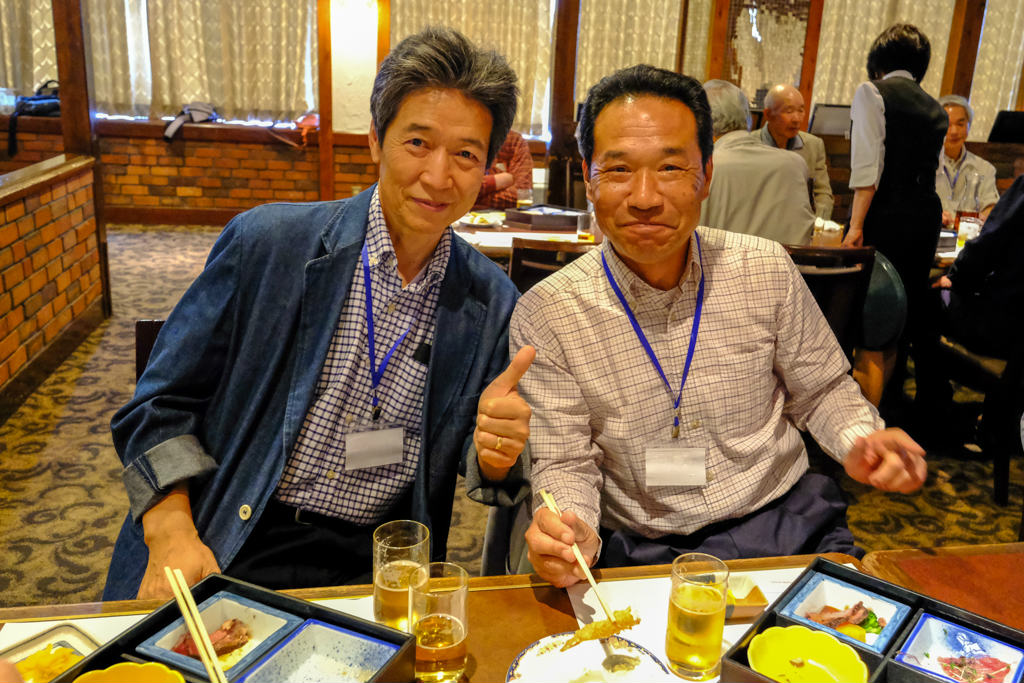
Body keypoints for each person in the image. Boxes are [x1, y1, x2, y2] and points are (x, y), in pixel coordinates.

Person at [102, 27, 535, 601]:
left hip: (373, 563)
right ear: (376, 140)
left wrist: (494, 452)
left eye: (465, 155)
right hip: (229, 531)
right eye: (417, 143)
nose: (438, 176)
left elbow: (469, 457)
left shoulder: (489, 299)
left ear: (485, 168)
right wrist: (171, 532)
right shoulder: (268, 244)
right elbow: (159, 405)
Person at [514, 64, 927, 587]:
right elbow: (565, 461)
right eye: (618, 169)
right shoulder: (548, 311)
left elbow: (821, 390)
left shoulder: (765, 268)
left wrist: (861, 439)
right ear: (589, 179)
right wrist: (572, 531)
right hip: (641, 546)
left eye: (671, 168)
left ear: (706, 175)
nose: (645, 197)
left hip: (783, 522)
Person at [843, 24, 947, 417]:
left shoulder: (872, 92)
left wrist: (855, 227)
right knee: (902, 312)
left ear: (879, 60)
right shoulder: (936, 108)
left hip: (885, 213)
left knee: (870, 314)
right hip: (925, 216)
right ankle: (891, 407)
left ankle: (863, 415)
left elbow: (868, 169)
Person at [699, 79, 816, 245]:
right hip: (788, 262)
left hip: (722, 262)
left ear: (702, 124)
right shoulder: (795, 164)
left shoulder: (705, 168)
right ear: (748, 117)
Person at [755, 83, 834, 219]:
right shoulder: (749, 144)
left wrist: (819, 221)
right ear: (768, 114)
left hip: (800, 223)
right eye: (789, 111)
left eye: (801, 110)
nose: (797, 119)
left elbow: (822, 193)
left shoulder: (813, 145)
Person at [935, 94, 1000, 226]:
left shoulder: (985, 168)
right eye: (948, 124)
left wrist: (981, 218)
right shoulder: (924, 163)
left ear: (969, 126)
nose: (954, 131)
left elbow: (991, 206)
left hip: (968, 233)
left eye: (960, 124)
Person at [473, 129, 533, 209]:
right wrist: (495, 181)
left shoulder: (515, 140)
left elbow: (522, 195)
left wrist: (475, 198)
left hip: (504, 215)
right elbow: (462, 188)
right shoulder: (466, 138)